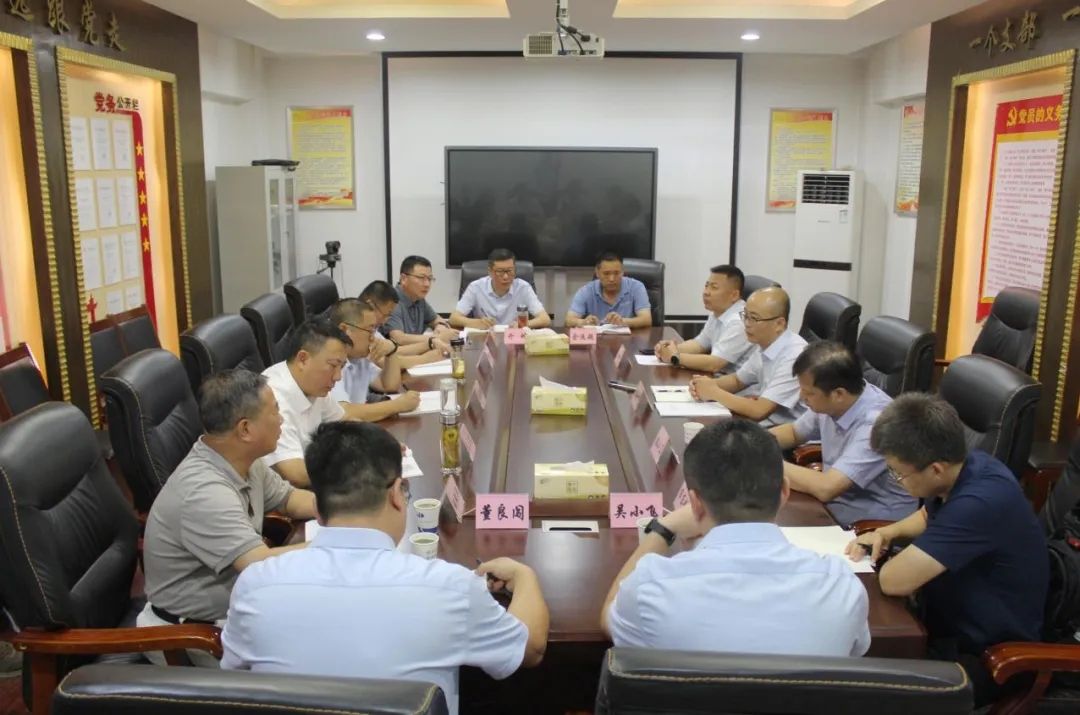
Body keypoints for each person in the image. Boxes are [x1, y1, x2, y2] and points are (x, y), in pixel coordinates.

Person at [221, 421, 549, 715]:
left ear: (318, 509)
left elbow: (235, 678)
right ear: (396, 495)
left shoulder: (255, 585)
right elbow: (530, 648)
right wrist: (524, 576)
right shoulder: (451, 588)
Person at [601, 419, 870, 656]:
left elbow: (609, 617)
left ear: (695, 503)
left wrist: (663, 529)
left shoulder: (651, 586)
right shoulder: (840, 585)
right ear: (784, 492)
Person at [846, 393, 1048, 704]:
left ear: (936, 469)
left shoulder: (982, 501)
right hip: (941, 623)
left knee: (861, 690)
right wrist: (888, 532)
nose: (896, 481)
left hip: (986, 657)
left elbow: (894, 581)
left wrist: (893, 560)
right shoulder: (969, 465)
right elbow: (929, 515)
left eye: (897, 474)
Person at [138, 370, 317, 665]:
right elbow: (258, 564)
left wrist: (347, 509)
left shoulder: (243, 460)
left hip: (234, 612)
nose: (282, 420)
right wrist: (334, 545)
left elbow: (290, 500)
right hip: (190, 637)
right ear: (245, 429)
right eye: (275, 411)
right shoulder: (204, 491)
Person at [770, 341, 916, 527]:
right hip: (835, 504)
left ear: (838, 394)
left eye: (808, 393)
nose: (801, 397)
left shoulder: (876, 423)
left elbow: (827, 488)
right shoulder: (833, 400)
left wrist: (763, 459)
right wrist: (750, 441)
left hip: (871, 523)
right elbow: (793, 432)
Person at [689, 286, 807, 425]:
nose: (746, 324)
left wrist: (714, 392)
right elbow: (737, 381)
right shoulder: (765, 343)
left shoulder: (794, 356)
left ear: (779, 324)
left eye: (754, 318)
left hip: (786, 432)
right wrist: (704, 385)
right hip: (764, 422)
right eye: (745, 316)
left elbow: (759, 410)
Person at [262, 318, 350, 487]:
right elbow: (295, 474)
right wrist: (356, 468)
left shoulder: (313, 384)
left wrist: (377, 443)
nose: (338, 377)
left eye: (342, 367)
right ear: (303, 359)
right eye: (333, 365)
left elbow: (345, 422)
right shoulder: (273, 398)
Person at [328, 298, 421, 421]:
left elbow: (388, 385)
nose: (374, 338)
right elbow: (344, 413)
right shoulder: (330, 363)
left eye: (375, 330)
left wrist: (391, 351)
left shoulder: (359, 358)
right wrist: (398, 405)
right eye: (370, 330)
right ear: (345, 330)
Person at [654, 265, 752, 372]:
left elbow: (715, 364)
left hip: (733, 380)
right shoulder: (718, 311)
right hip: (718, 376)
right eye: (706, 286)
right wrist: (669, 348)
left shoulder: (738, 322)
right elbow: (700, 344)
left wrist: (675, 357)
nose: (706, 292)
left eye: (714, 287)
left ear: (734, 295)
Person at [450, 248, 551, 329]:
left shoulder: (523, 288)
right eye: (500, 271)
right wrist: (475, 322)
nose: (506, 277)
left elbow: (545, 319)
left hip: (514, 338)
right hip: (486, 340)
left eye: (510, 271)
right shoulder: (476, 287)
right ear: (490, 272)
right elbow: (453, 318)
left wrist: (523, 324)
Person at [360, 280, 449, 368]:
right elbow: (383, 362)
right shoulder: (358, 330)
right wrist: (425, 359)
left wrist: (430, 343)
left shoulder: (372, 330)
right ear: (371, 305)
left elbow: (393, 351)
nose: (384, 322)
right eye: (385, 315)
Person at [384, 255, 458, 346]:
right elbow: (398, 338)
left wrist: (440, 326)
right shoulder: (392, 301)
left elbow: (435, 319)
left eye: (429, 279)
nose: (427, 284)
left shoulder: (418, 299)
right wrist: (437, 338)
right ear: (404, 279)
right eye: (421, 278)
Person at [565, 252, 652, 328]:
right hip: (598, 340)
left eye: (616, 273)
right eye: (606, 274)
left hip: (629, 340)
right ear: (597, 273)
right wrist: (584, 322)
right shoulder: (587, 290)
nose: (611, 279)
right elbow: (569, 320)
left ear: (622, 272)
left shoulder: (636, 287)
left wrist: (623, 321)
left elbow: (646, 319)